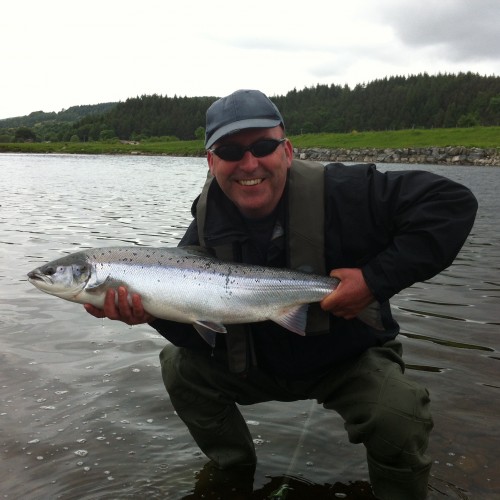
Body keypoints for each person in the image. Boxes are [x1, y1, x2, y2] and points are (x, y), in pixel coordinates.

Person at [85, 89, 478, 499]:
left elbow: (452, 204)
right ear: (211, 161)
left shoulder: (347, 192)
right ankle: (232, 478)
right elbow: (201, 332)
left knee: (399, 413)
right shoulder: (203, 227)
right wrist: (148, 313)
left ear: (287, 151)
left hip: (346, 362)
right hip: (252, 365)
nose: (249, 163)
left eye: (263, 146)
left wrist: (374, 281)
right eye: (231, 150)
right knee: (179, 367)